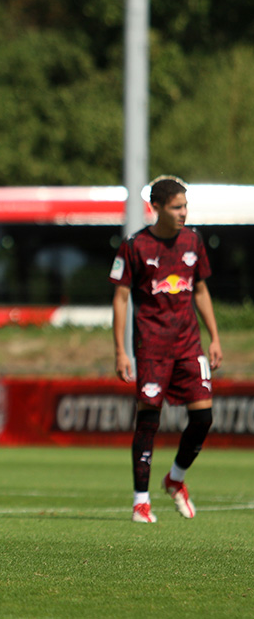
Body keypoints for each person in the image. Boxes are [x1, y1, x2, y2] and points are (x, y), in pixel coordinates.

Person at [110, 175, 223, 523]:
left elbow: (200, 290)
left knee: (203, 417)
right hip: (152, 346)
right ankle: (140, 501)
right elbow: (121, 298)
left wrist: (215, 336)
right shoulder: (134, 247)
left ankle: (175, 478)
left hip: (189, 344)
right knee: (148, 419)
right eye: (176, 207)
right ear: (156, 207)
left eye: (185, 206)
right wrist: (120, 350)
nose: (183, 213)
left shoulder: (193, 241)